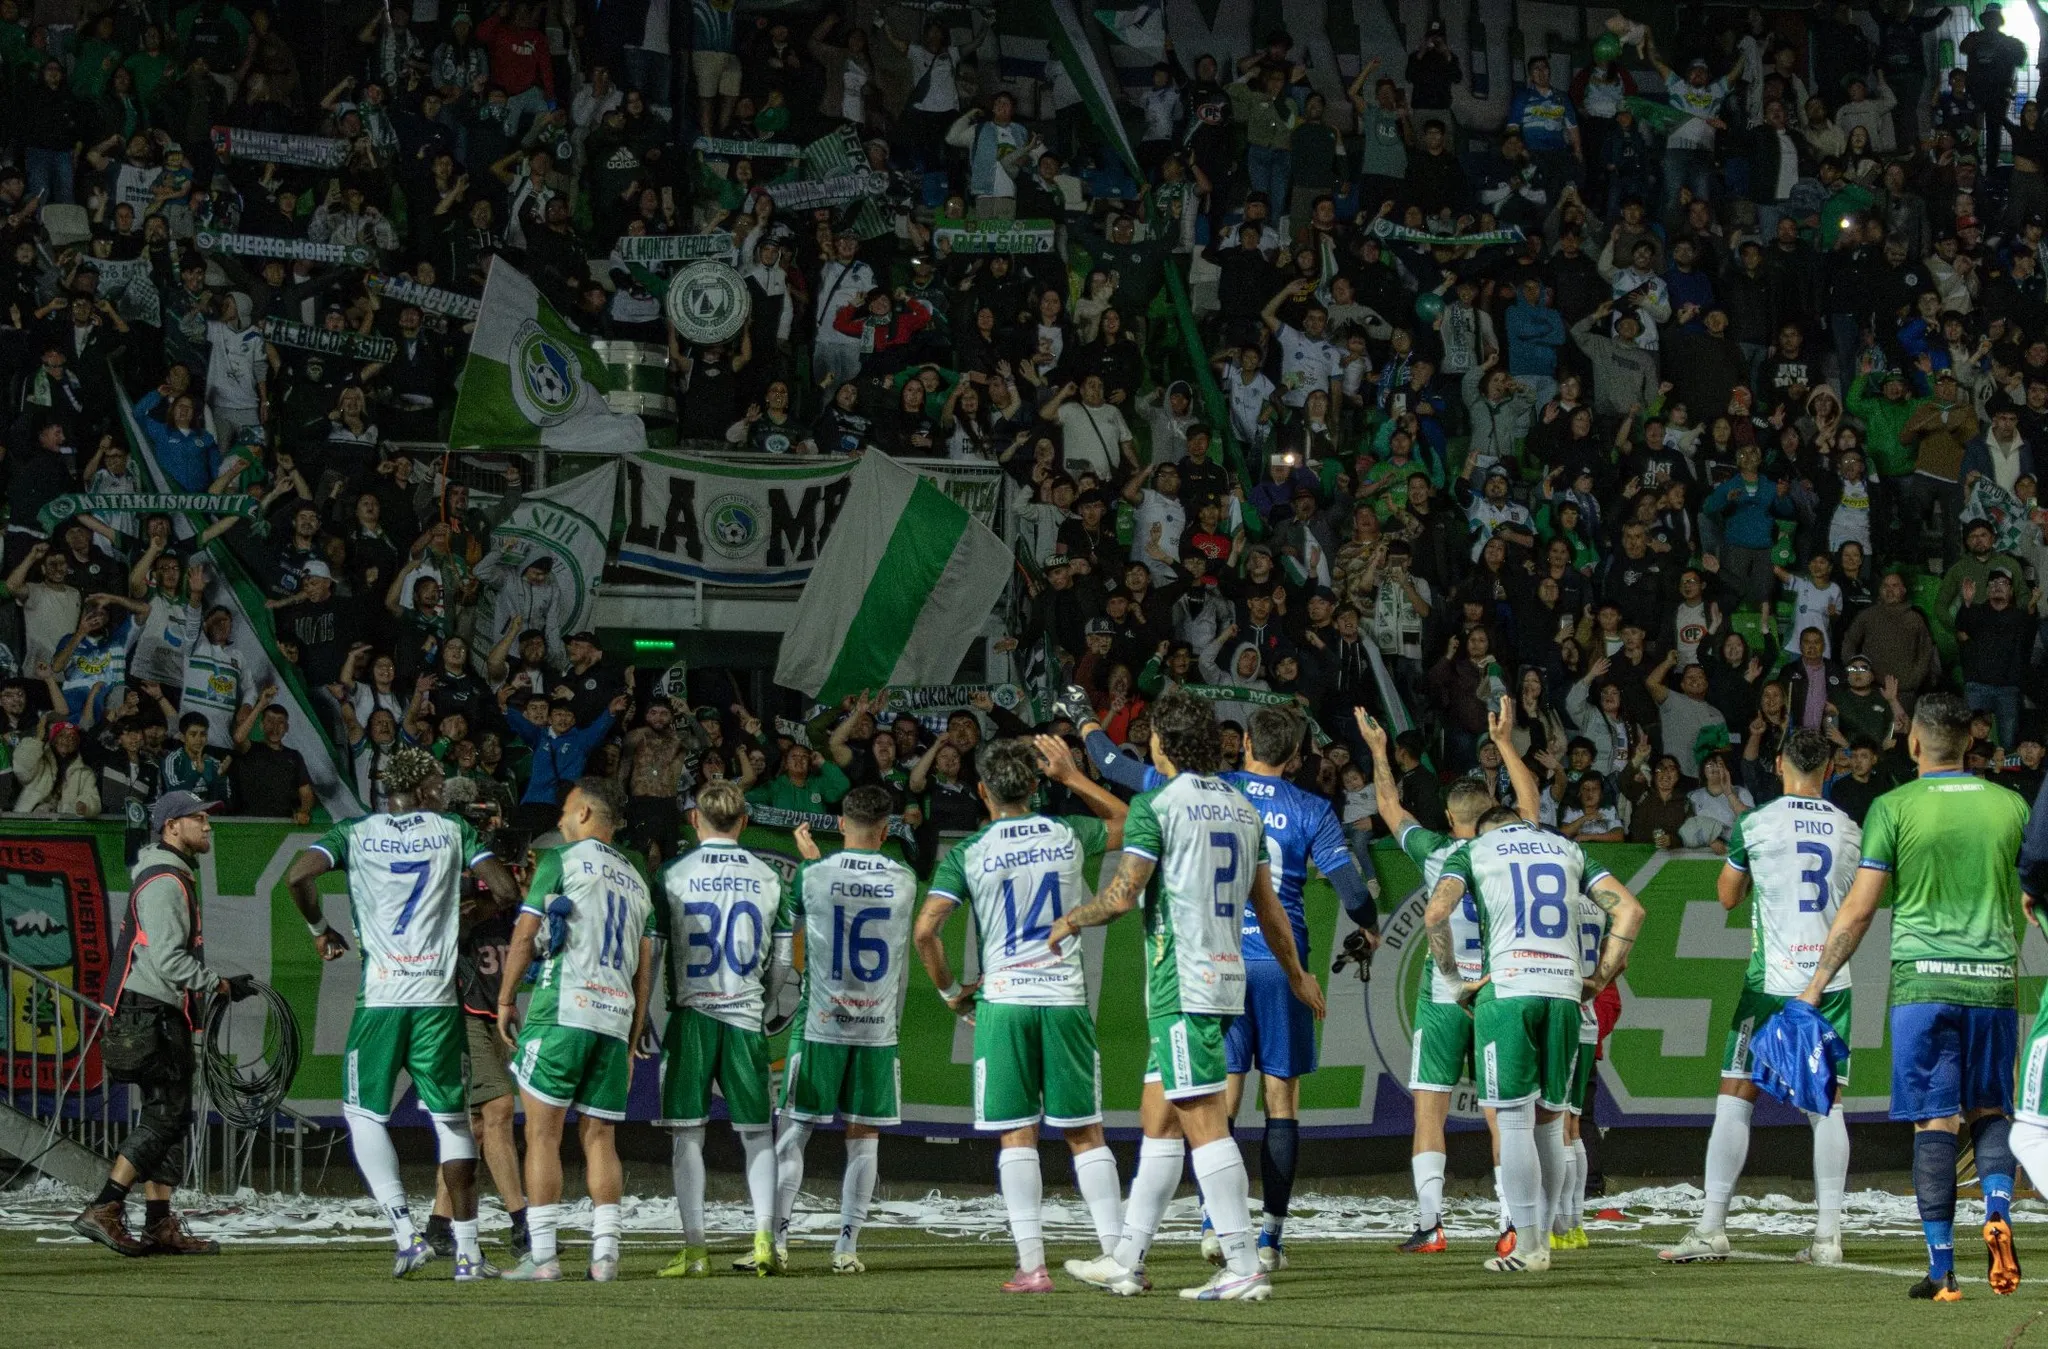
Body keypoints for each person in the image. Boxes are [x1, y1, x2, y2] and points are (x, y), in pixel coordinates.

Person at [1071, 692, 1382, 1267]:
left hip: (1214, 961)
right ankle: (1267, 1241)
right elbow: (1354, 892)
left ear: (1246, 746)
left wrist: (1082, 718)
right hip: (1281, 962)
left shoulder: (1208, 790)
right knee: (1281, 1101)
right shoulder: (1311, 808)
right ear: (1293, 756)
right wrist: (1370, 926)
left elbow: (1113, 765)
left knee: (1218, 1098)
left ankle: (1213, 1228)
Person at [1793, 692, 2033, 1301]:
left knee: (1935, 1118)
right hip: (1993, 981)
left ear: (1914, 742)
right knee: (1990, 1111)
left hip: (1923, 982)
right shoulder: (2010, 806)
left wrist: (1816, 984)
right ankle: (1999, 1208)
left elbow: (1861, 907)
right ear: (1971, 744)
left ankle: (1942, 1271)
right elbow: (2038, 894)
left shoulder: (1893, 806)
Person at [284, 747, 516, 1280]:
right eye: (438, 782)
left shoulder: (354, 832)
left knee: (365, 1114)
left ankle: (405, 1234)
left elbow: (297, 876)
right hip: (437, 1000)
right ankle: (468, 1254)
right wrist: (471, 912)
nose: (442, 792)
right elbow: (504, 890)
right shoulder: (454, 830)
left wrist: (321, 930)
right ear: (425, 788)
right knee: (454, 1122)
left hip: (382, 998)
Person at [912, 735, 1130, 1291]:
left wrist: (951, 993)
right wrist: (1075, 778)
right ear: (1035, 786)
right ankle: (1119, 1260)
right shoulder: (1066, 832)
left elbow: (926, 931)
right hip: (1064, 1001)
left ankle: (1032, 1266)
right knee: (1086, 1133)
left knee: (1016, 1135)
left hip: (1005, 1002)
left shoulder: (969, 852)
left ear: (983, 791)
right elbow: (1129, 822)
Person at [1658, 729, 1860, 1267]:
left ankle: (1711, 1228)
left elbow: (1726, 896)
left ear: (1778, 764)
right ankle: (1828, 1239)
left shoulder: (1758, 821)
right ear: (1831, 768)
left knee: (1736, 1094)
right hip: (1829, 983)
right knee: (1827, 1107)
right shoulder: (1849, 829)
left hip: (1771, 985)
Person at [1423, 801, 1645, 1274]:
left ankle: (1527, 1247)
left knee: (1515, 1122)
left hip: (1509, 990)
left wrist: (1456, 982)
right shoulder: (1567, 849)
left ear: (1485, 830)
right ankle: (1545, 1238)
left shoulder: (1477, 849)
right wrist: (1600, 979)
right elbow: (1630, 910)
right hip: (1566, 993)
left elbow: (1435, 913)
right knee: (1551, 1121)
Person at [1361, 701, 1539, 1255]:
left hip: (1445, 994)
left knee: (1430, 1108)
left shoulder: (1437, 852)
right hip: (1495, 995)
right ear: (1491, 813)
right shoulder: (1511, 849)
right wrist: (1506, 743)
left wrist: (1378, 752)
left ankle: (1431, 1224)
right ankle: (1511, 1225)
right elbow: (1531, 806)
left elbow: (1388, 807)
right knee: (1501, 1114)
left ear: (1449, 817)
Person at [71, 791, 252, 1257]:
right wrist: (218, 984)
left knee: (169, 1114)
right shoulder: (166, 881)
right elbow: (170, 960)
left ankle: (158, 1223)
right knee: (167, 1114)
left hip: (149, 1007)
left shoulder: (168, 874)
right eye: (198, 818)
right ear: (172, 827)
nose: (208, 825)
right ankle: (106, 1206)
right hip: (149, 1009)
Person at [496, 777, 656, 1283]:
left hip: (563, 1012)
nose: (561, 820)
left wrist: (505, 998)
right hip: (613, 1019)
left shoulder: (559, 863)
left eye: (566, 810)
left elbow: (525, 933)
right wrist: (631, 1041)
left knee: (542, 1133)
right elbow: (645, 967)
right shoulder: (637, 877)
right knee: (601, 1135)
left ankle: (543, 1259)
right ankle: (605, 1256)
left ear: (586, 813)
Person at [768, 785, 920, 1276]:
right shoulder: (905, 879)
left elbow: (797, 927)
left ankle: (778, 1239)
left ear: (839, 823)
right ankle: (846, 1246)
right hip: (875, 1029)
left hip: (819, 1023)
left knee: (793, 1134)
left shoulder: (813, 874)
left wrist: (814, 860)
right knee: (865, 1139)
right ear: (885, 828)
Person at [651, 780, 785, 1281]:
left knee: (687, 1137)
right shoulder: (768, 875)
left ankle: (696, 1250)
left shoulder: (672, 873)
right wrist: (761, 1004)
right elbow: (779, 966)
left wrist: (647, 1017)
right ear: (744, 823)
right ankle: (765, 1240)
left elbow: (657, 949)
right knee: (757, 1135)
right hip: (746, 1018)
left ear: (695, 820)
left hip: (692, 1016)